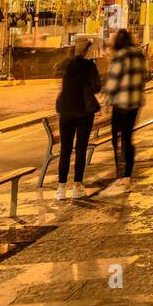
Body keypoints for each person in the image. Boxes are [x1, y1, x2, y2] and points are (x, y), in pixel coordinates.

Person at [54, 37, 102, 200]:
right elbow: (97, 88)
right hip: (83, 111)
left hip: (66, 110)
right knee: (80, 148)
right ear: (87, 51)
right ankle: (77, 186)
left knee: (65, 150)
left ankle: (61, 188)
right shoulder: (90, 66)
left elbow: (56, 71)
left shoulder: (66, 64)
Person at [103, 28, 146, 189]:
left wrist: (106, 102)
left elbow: (112, 82)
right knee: (128, 138)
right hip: (135, 102)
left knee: (117, 139)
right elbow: (145, 76)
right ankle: (128, 174)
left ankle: (119, 174)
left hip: (120, 103)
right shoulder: (139, 54)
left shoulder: (120, 56)